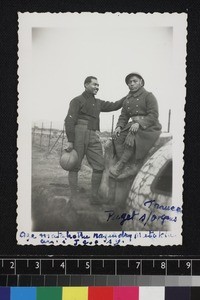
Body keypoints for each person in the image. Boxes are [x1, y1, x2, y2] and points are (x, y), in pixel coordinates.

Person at [65, 76, 124, 204]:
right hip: (79, 133)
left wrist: (129, 95)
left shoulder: (98, 103)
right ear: (86, 85)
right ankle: (73, 197)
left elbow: (115, 105)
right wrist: (70, 140)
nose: (97, 87)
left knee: (99, 165)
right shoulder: (77, 100)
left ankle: (94, 196)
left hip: (93, 134)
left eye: (98, 85)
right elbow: (69, 120)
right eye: (94, 84)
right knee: (74, 166)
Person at [109, 72, 162, 179]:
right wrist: (119, 127)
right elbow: (124, 116)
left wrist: (139, 123)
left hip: (149, 126)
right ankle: (127, 165)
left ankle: (123, 165)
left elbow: (154, 115)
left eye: (135, 81)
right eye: (129, 82)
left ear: (141, 82)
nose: (132, 84)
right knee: (117, 138)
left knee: (131, 137)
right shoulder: (127, 99)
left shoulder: (148, 96)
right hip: (133, 124)